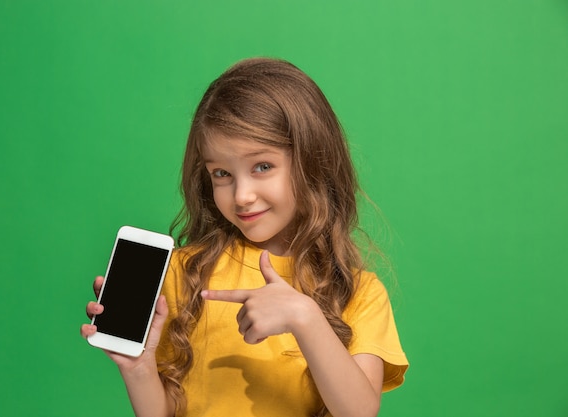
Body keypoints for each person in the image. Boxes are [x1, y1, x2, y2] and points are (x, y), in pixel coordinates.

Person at [81, 57, 408, 417]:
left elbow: (359, 412)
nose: (241, 196)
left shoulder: (359, 293)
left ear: (313, 160)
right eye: (222, 173)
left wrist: (305, 318)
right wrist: (139, 369)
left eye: (262, 167)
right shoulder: (183, 273)